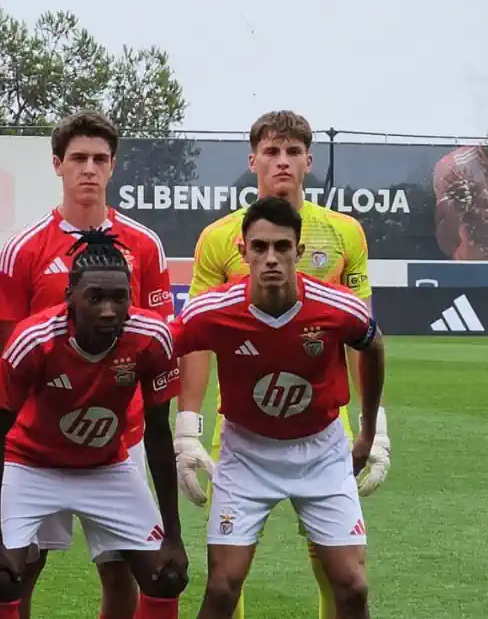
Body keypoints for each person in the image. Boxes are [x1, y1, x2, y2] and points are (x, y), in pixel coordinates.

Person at [174, 111, 392, 619]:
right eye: (271, 151)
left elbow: (363, 335)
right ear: (252, 160)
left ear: (309, 161)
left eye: (293, 152)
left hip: (322, 425)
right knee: (226, 580)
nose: (282, 162)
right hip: (243, 428)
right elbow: (196, 339)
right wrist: (187, 427)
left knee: (339, 573)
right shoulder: (217, 237)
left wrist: (372, 426)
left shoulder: (344, 234)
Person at [0, 111, 175, 619]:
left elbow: (156, 343)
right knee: (21, 569)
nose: (88, 169)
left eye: (99, 159)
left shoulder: (143, 245)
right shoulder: (23, 249)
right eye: (78, 159)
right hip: (38, 444)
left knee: (120, 572)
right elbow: (9, 351)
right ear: (57, 165)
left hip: (120, 437)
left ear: (113, 166)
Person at [0, 229, 188, 619]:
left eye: (119, 298)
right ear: (70, 297)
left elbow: (159, 433)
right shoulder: (34, 340)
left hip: (106, 467)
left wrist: (173, 535)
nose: (108, 310)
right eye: (95, 298)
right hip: (31, 465)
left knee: (167, 575)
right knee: (3, 579)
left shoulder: (152, 337)